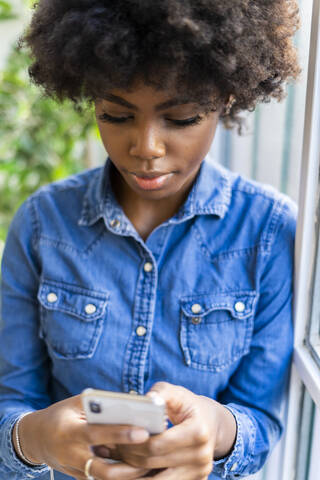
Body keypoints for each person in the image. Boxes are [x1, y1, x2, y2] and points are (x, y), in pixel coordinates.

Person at [0, 1, 301, 479]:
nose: (146, 148)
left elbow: (260, 419)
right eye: (115, 116)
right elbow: (10, 398)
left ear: (226, 99)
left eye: (180, 118)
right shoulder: (42, 224)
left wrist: (216, 429)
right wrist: (33, 437)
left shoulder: (269, 232)